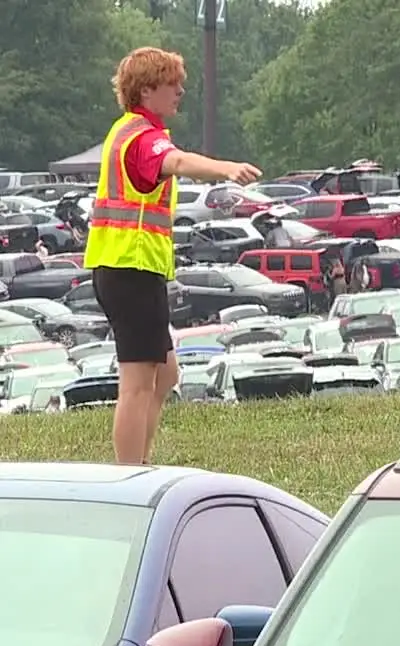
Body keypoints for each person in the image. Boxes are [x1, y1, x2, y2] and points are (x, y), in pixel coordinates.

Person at [85, 47, 260, 464]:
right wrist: (225, 168)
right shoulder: (145, 138)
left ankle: (139, 464)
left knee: (164, 375)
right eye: (172, 84)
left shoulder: (128, 130)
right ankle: (130, 475)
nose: (181, 90)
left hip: (129, 268)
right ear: (147, 91)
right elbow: (177, 161)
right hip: (130, 267)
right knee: (138, 382)